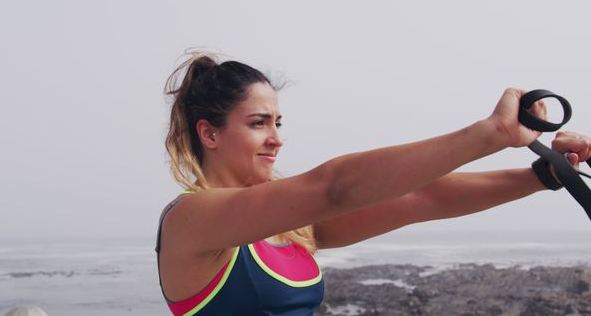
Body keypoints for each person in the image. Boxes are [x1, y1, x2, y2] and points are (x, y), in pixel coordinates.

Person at [155, 51, 591, 316]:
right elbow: (333, 187)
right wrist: (491, 134)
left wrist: (543, 176)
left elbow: (421, 197)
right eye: (258, 124)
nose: (276, 138)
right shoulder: (190, 220)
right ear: (209, 133)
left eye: (278, 122)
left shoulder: (292, 229)